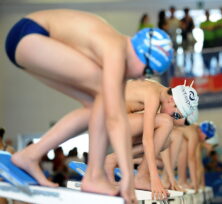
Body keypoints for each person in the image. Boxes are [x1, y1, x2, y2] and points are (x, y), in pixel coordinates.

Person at [5, 9, 173, 203]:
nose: (143, 77)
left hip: (28, 37)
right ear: (141, 54)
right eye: (148, 70)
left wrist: (127, 176)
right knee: (103, 96)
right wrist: (127, 177)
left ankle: (31, 155)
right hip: (30, 34)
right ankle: (94, 176)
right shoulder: (115, 50)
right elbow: (115, 120)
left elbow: (116, 118)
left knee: (95, 106)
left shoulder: (117, 54)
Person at [104, 79, 199, 200]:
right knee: (166, 122)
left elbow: (153, 140)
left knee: (166, 141)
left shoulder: (157, 91)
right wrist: (154, 178)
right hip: (108, 121)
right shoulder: (153, 95)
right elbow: (147, 140)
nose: (173, 118)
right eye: (176, 115)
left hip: (114, 121)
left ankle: (112, 159)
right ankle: (142, 176)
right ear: (172, 100)